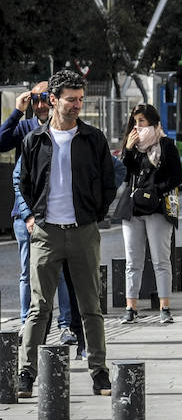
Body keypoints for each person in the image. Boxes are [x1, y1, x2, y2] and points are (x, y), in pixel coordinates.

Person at [15, 70, 117, 398]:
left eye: (80, 100)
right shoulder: (35, 140)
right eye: (71, 100)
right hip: (46, 233)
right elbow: (22, 183)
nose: (77, 105)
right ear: (54, 100)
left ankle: (99, 372)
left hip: (83, 232)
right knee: (39, 307)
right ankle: (26, 374)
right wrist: (31, 217)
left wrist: (95, 215)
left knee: (91, 305)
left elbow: (108, 181)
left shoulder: (93, 138)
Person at [2, 82, 76, 345]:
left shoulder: (64, 128)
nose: (40, 105)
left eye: (44, 99)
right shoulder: (26, 127)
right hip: (25, 214)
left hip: (55, 213)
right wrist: (17, 111)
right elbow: (2, 142)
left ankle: (65, 326)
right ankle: (26, 323)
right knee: (26, 272)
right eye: (35, 100)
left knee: (60, 273)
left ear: (54, 99)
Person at [117, 104, 182, 324]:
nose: (137, 126)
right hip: (133, 208)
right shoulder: (132, 146)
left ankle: (165, 307)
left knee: (161, 260)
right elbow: (123, 174)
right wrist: (127, 149)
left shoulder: (165, 145)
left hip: (157, 209)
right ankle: (130, 307)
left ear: (153, 123)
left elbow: (177, 177)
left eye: (142, 122)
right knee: (132, 261)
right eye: (135, 122)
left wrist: (156, 191)